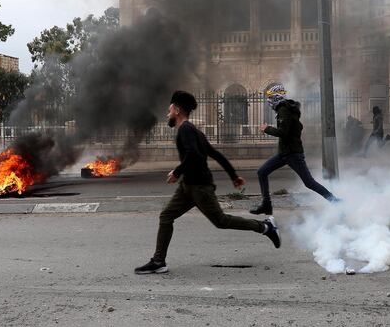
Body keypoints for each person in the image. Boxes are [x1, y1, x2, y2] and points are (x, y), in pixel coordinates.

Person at [135, 91, 281, 275]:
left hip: (199, 187)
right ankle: (158, 261)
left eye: (169, 110)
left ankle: (266, 227)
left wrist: (176, 171)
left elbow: (194, 155)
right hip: (187, 187)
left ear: (178, 110)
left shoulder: (187, 130)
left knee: (221, 221)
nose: (167, 114)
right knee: (166, 216)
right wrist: (233, 175)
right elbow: (215, 153)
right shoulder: (194, 131)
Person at [250, 85, 338, 216]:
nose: (269, 101)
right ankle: (266, 205)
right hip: (285, 153)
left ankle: (335, 201)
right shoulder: (287, 109)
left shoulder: (283, 110)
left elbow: (283, 132)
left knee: (309, 182)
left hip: (292, 154)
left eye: (270, 98)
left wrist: (266, 129)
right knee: (262, 172)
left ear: (276, 97)